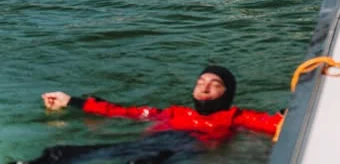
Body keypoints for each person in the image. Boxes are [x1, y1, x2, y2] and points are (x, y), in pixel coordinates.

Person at [37, 65, 281, 158]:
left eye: (215, 83)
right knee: (58, 152)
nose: (205, 86)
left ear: (226, 94)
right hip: (151, 141)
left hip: (181, 147)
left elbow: (275, 123)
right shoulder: (170, 113)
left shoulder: (236, 117)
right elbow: (122, 112)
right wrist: (70, 101)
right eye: (200, 81)